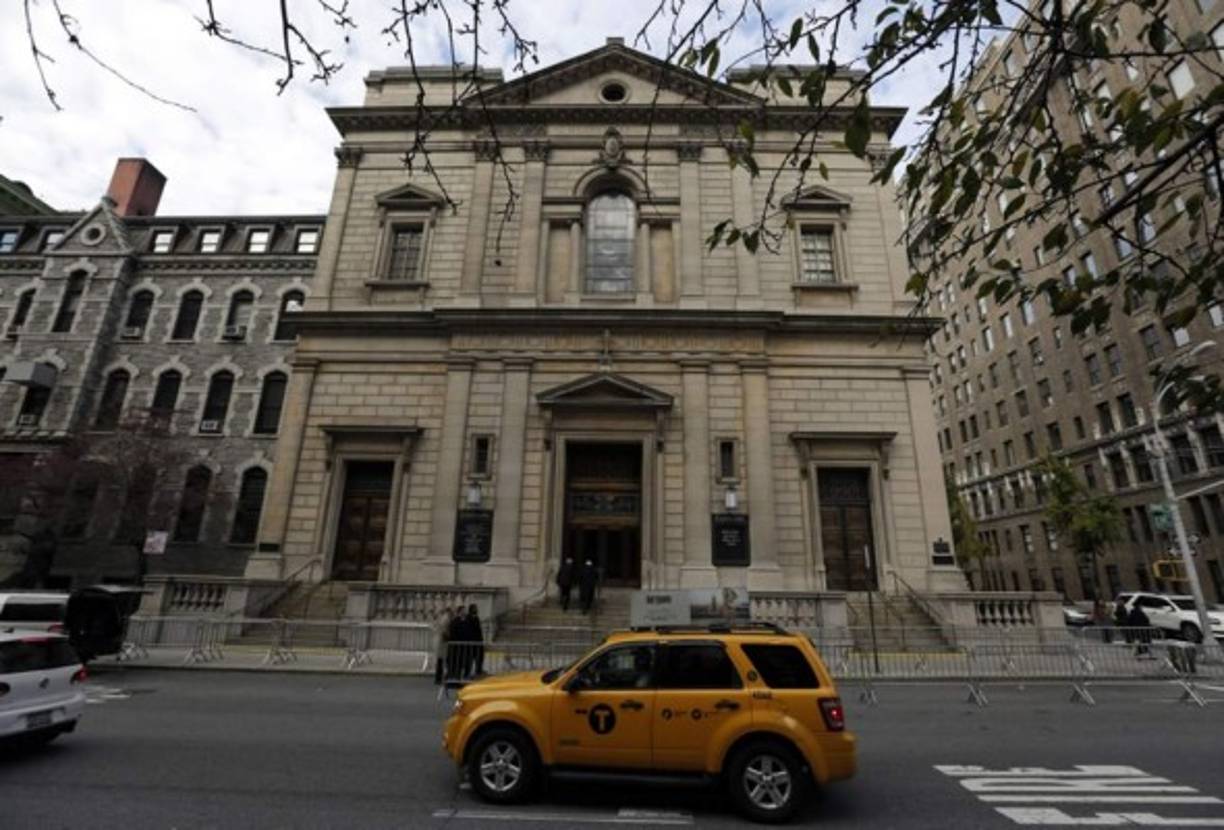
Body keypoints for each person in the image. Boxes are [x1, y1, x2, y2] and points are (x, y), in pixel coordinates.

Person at [446, 606, 467, 680]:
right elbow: (454, 633)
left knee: (459, 662)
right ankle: (452, 677)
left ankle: (456, 677)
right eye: (463, 611)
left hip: (460, 645)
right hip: (455, 645)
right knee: (454, 661)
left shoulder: (463, 621)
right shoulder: (455, 621)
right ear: (460, 612)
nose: (465, 612)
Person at [433, 608, 453, 685]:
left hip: (441, 643)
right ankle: (443, 677)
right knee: (443, 661)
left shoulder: (443, 618)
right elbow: (445, 631)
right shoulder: (446, 619)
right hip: (443, 644)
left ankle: (440, 678)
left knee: (441, 661)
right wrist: (449, 637)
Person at [465, 603, 485, 677]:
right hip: (471, 641)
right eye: (475, 608)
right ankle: (467, 673)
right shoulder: (468, 618)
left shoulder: (476, 618)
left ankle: (478, 670)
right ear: (471, 609)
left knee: (479, 657)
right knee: (470, 658)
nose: (477, 610)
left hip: (478, 641)